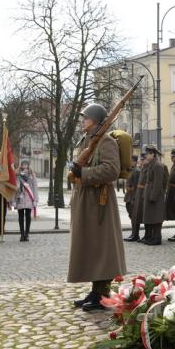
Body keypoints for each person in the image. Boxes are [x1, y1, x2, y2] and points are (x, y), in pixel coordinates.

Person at [67, 102, 127, 312]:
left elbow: (111, 170)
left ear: (95, 119)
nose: (83, 120)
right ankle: (96, 291)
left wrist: (83, 174)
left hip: (98, 201)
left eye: (86, 117)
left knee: (101, 247)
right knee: (91, 247)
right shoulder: (88, 140)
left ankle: (102, 293)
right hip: (86, 199)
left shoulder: (106, 141)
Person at [142, 146, 169, 246]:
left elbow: (158, 182)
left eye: (148, 154)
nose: (146, 155)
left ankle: (157, 238)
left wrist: (153, 196)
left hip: (155, 196)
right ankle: (153, 237)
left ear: (153, 154)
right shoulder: (151, 164)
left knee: (156, 217)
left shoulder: (157, 165)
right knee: (152, 217)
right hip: (150, 193)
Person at [14, 160, 39, 242]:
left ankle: (27, 234)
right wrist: (13, 200)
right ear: (21, 165)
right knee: (20, 216)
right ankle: (21, 234)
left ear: (28, 165)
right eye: (23, 164)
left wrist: (35, 199)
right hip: (20, 198)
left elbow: (35, 187)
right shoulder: (17, 175)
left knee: (28, 216)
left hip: (29, 198)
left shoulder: (32, 175)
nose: (24, 166)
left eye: (26, 164)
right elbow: (14, 188)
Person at [124, 155, 141, 242]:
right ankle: (133, 233)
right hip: (128, 196)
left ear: (134, 161)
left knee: (134, 216)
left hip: (133, 197)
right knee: (131, 215)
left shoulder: (137, 171)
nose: (129, 162)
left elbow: (136, 186)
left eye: (131, 161)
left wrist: (134, 198)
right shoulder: (131, 171)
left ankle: (135, 234)